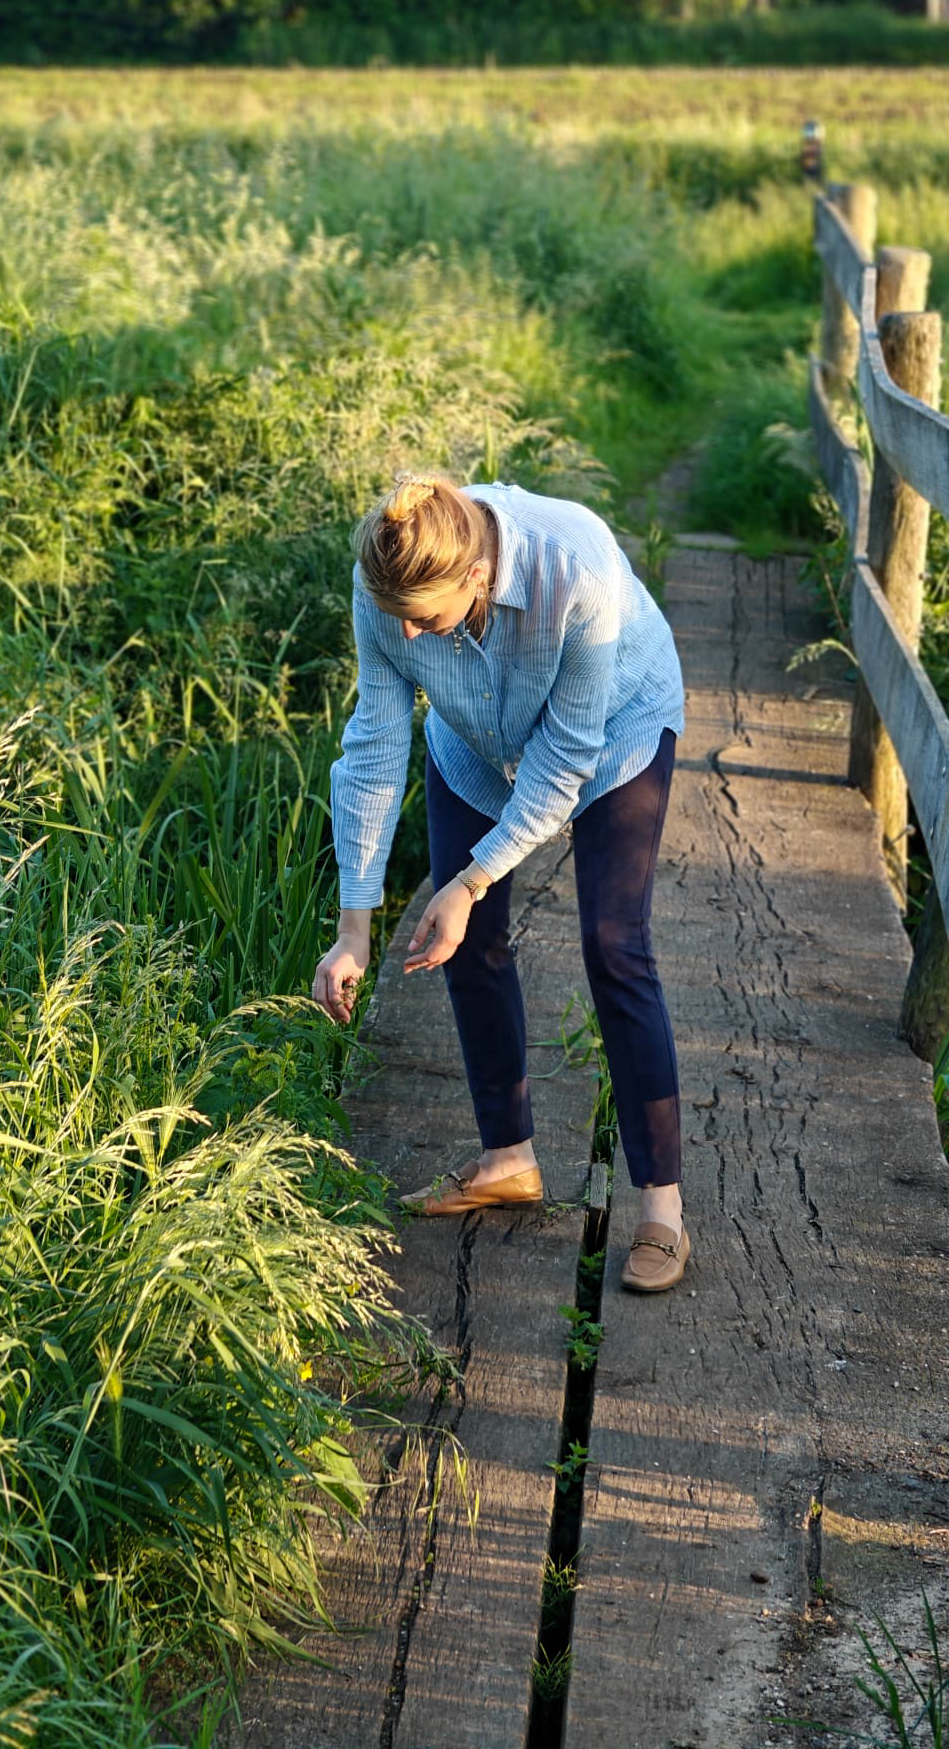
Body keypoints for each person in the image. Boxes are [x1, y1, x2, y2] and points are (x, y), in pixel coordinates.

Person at [311, 471, 691, 1293]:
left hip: (615, 732)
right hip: (475, 747)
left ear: (478, 575)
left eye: (427, 619)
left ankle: (663, 1209)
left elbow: (563, 763)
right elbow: (374, 748)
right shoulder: (388, 580)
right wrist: (354, 930)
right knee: (467, 943)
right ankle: (507, 1160)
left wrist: (472, 877)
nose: (407, 639)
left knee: (613, 942)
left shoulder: (575, 569)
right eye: (396, 620)